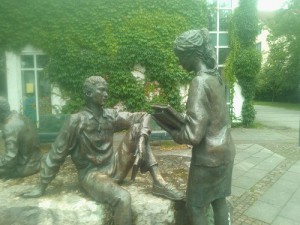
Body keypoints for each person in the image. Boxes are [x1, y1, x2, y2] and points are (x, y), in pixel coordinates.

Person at [23, 76, 184, 225]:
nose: (106, 94)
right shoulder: (75, 121)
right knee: (123, 198)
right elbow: (55, 155)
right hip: (91, 175)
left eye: (106, 90)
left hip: (114, 166)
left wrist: (143, 136)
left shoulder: (110, 115)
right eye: (102, 90)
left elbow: (144, 116)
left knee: (137, 129)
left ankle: (159, 182)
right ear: (88, 92)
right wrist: (41, 186)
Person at [155, 29, 236, 225]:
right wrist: (183, 119)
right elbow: (210, 118)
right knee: (219, 200)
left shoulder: (199, 82)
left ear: (191, 54)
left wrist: (171, 129)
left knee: (195, 207)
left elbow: (193, 135)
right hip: (225, 152)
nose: (179, 62)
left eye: (180, 56)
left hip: (208, 158)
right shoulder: (215, 77)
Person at [0, 96, 42, 178]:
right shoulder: (20, 117)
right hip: (35, 162)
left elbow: (10, 160)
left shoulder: (9, 126)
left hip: (23, 168)